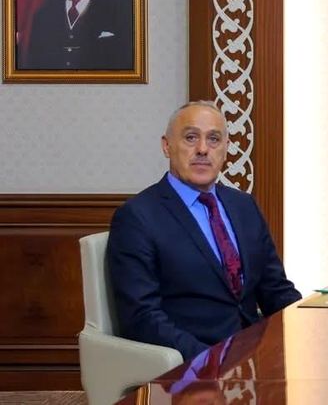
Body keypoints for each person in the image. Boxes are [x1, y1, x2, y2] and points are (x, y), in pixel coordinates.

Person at [107, 101, 301, 360]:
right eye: (190, 138)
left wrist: (310, 331)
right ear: (167, 146)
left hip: (254, 356)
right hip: (193, 365)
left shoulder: (244, 206)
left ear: (226, 149)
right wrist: (211, 360)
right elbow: (142, 318)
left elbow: (275, 290)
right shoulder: (138, 217)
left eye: (213, 139)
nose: (202, 149)